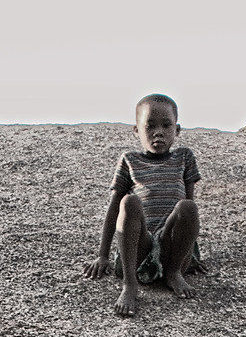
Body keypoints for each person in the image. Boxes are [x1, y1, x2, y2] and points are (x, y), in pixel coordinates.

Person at [86, 95, 202, 320]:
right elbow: (113, 212)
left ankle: (173, 272)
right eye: (149, 126)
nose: (158, 132)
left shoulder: (184, 157)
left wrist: (191, 253)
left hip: (171, 248)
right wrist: (102, 256)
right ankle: (130, 284)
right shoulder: (130, 160)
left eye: (166, 126)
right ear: (136, 131)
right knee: (128, 202)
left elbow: (190, 213)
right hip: (141, 246)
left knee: (187, 206)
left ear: (177, 130)